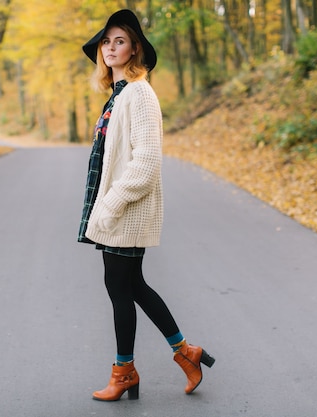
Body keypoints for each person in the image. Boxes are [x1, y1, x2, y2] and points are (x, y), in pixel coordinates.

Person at [78, 9, 215, 401]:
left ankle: (125, 373)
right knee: (129, 284)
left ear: (135, 48)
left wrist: (110, 206)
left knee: (120, 286)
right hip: (118, 207)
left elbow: (147, 162)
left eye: (119, 41)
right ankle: (185, 352)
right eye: (105, 42)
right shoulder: (118, 95)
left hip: (127, 207)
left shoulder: (139, 93)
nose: (110, 48)